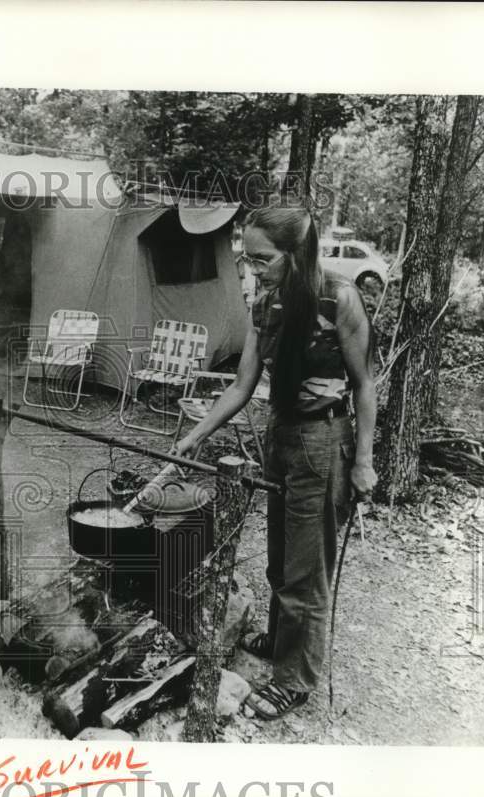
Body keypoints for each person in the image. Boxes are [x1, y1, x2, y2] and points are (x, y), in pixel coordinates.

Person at [173, 207, 378, 721]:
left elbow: (365, 385)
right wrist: (197, 435)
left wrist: (364, 462)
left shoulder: (340, 299)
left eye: (262, 259)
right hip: (280, 435)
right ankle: (283, 640)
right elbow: (243, 385)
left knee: (306, 573)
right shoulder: (264, 303)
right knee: (280, 558)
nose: (252, 269)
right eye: (247, 259)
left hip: (322, 440)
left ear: (296, 253)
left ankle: (295, 679)